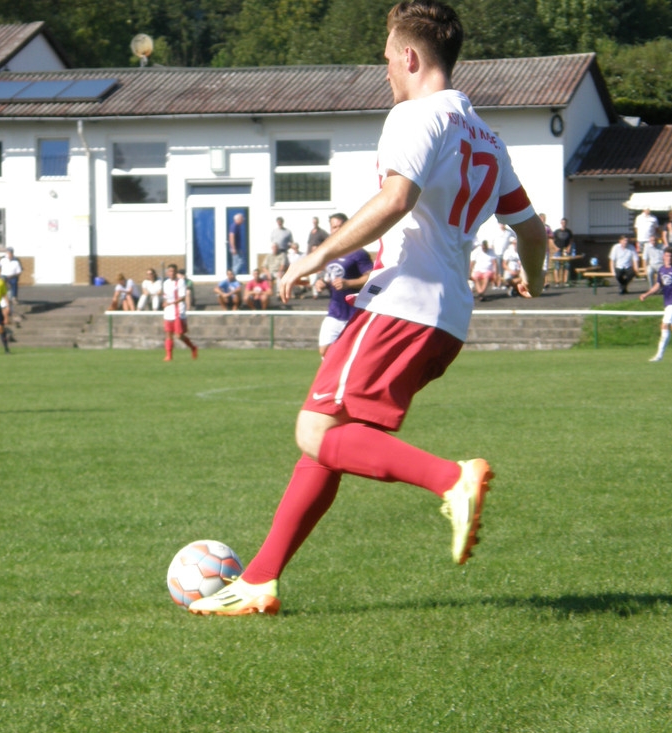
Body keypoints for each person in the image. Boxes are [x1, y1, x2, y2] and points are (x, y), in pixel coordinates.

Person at [189, 0, 547, 616]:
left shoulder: (414, 115)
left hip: (402, 306)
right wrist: (533, 282)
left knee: (314, 430)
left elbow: (396, 199)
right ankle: (259, 581)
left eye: (386, 59)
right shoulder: (486, 135)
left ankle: (452, 479)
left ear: (409, 56)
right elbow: (532, 231)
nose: (385, 71)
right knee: (332, 440)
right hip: (446, 320)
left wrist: (314, 256)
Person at [312, 212, 373, 356]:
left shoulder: (359, 253)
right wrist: (322, 283)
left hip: (355, 313)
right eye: (334, 227)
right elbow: (329, 276)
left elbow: (371, 277)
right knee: (324, 350)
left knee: (354, 354)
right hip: (335, 311)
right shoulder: (330, 253)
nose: (337, 230)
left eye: (341, 226)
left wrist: (349, 283)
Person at [161, 263, 197, 361]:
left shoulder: (180, 282)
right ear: (167, 272)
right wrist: (165, 303)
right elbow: (165, 296)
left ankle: (193, 347)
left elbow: (182, 297)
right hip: (168, 311)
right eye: (170, 271)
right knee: (168, 333)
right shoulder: (165, 283)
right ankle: (169, 356)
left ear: (176, 272)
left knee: (179, 335)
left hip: (178, 311)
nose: (172, 273)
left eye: (174, 271)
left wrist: (170, 303)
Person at [266, 216, 293, 282]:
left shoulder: (287, 231)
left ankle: (285, 279)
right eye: (278, 222)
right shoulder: (274, 231)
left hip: (283, 250)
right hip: (275, 251)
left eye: (280, 222)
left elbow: (291, 242)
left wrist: (288, 247)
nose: (279, 223)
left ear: (282, 222)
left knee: (284, 265)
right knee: (275, 264)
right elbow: (272, 240)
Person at [551, 218, 574, 287]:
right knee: (556, 265)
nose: (564, 224)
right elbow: (551, 240)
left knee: (567, 266)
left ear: (566, 223)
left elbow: (571, 240)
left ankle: (565, 281)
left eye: (565, 223)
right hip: (558, 250)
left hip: (566, 251)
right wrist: (555, 248)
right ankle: (557, 282)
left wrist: (569, 247)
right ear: (561, 223)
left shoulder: (569, 232)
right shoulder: (556, 231)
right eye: (562, 222)